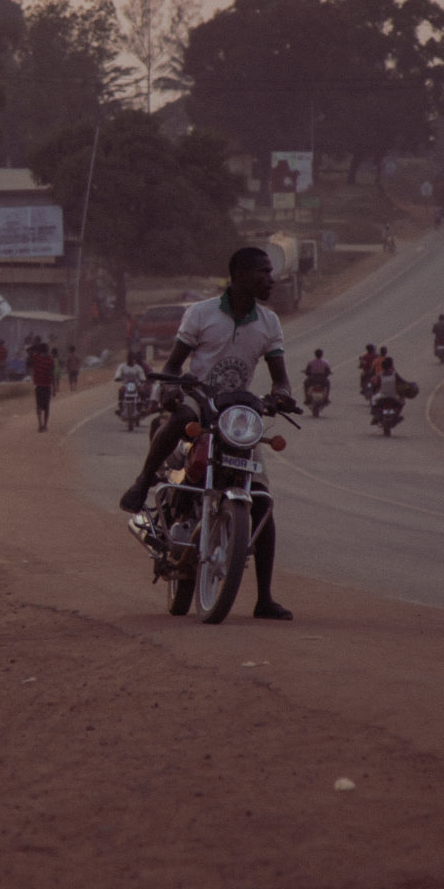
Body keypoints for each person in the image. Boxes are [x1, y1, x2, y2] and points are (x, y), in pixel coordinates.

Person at [117, 246, 298, 621]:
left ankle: (264, 598)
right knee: (182, 414)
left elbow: (280, 378)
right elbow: (172, 363)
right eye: (263, 272)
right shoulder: (200, 314)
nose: (270, 279)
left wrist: (281, 396)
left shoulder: (269, 323)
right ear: (241, 275)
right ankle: (142, 481)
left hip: (239, 409)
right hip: (201, 398)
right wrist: (171, 385)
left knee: (262, 501)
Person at [28, 342, 55, 431]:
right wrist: (54, 388)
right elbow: (52, 374)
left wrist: (36, 347)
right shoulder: (50, 360)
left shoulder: (36, 358)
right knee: (46, 407)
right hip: (47, 385)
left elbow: (28, 350)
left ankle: (40, 424)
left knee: (39, 405)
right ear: (47, 350)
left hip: (38, 385)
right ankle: (45, 425)